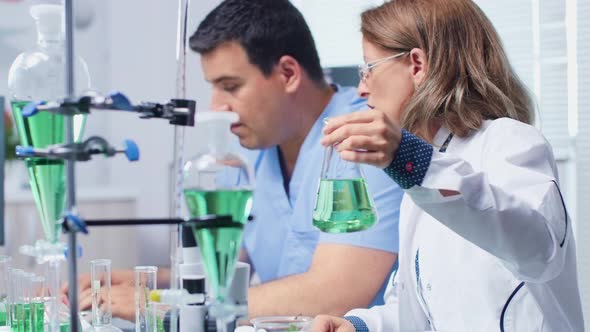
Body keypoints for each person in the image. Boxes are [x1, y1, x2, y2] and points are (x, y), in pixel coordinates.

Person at [63, 0, 403, 320]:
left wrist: (165, 308)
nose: (217, 107)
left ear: (288, 73)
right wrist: (148, 284)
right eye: (214, 87)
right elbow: (222, 269)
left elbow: (334, 293)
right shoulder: (249, 153)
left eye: (230, 86)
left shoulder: (365, 136)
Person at [312, 0, 584, 331]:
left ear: (416, 65)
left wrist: (409, 159)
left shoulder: (510, 142)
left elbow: (538, 249)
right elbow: (423, 306)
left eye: (369, 68)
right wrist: (360, 325)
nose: (362, 87)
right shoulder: (428, 168)